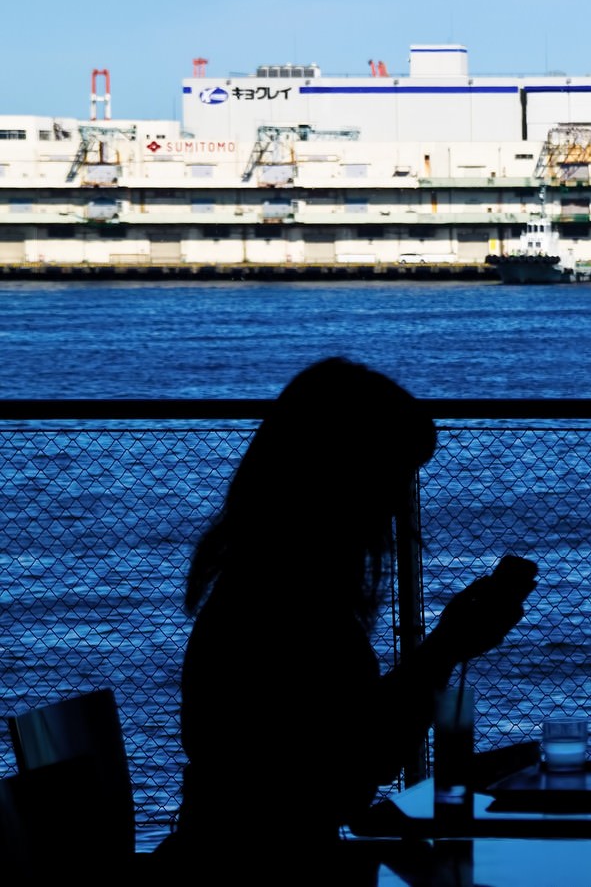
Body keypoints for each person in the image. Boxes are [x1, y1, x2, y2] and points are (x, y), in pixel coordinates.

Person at [158, 357, 535, 873]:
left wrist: (446, 646)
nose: (396, 506)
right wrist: (445, 648)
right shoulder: (290, 602)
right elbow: (353, 766)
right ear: (341, 475)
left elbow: (346, 751)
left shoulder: (262, 582)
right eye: (390, 478)